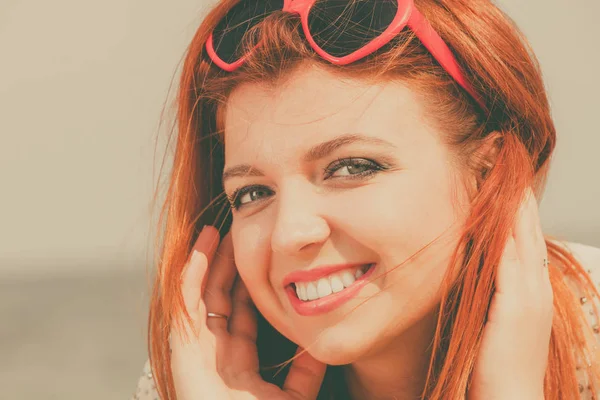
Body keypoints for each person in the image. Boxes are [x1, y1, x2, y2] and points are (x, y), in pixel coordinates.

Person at [132, 0, 600, 398]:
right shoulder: (195, 383)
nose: (291, 232)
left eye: (351, 167)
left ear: (488, 174)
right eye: (252, 193)